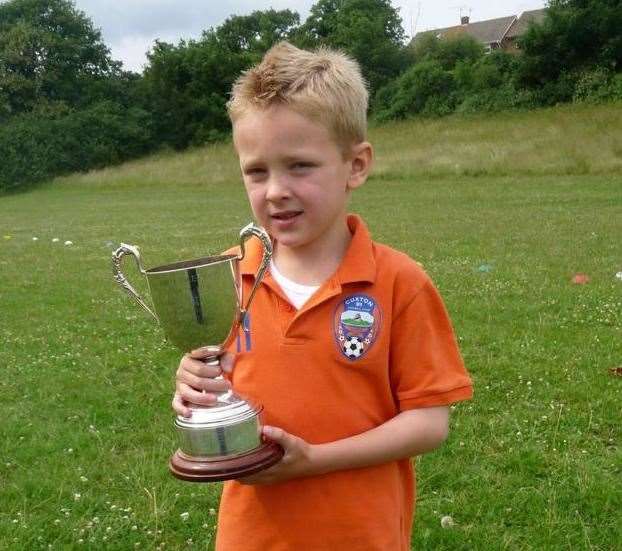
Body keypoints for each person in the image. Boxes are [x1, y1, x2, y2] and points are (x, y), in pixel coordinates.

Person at [172, 41, 473, 551]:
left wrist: (315, 460)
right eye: (257, 171)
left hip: (358, 535)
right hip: (252, 536)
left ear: (355, 165)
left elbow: (430, 422)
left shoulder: (399, 282)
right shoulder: (228, 273)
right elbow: (218, 380)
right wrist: (192, 384)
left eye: (300, 166)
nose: (275, 191)